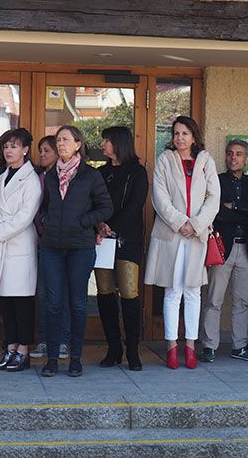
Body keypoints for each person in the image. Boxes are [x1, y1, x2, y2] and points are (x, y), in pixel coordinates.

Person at [145, 116, 220, 370]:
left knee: (192, 291)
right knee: (172, 290)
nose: (179, 138)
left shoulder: (206, 161)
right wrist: (181, 223)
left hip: (196, 236)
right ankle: (170, 346)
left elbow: (214, 197)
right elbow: (160, 197)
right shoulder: (164, 160)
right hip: (172, 234)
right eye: (176, 133)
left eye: (185, 133)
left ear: (194, 136)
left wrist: (196, 224)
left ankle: (190, 346)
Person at [39, 125, 113, 377]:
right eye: (58, 140)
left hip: (80, 248)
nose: (61, 144)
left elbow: (106, 208)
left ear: (78, 144)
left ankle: (75, 358)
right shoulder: (50, 175)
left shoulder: (90, 176)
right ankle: (51, 358)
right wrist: (47, 222)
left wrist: (83, 221)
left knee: (78, 304)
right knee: (53, 303)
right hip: (52, 248)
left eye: (66, 140)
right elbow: (45, 207)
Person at [0, 129, 42, 373]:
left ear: (26, 149)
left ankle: (23, 350)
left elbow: (25, 217)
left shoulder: (31, 180)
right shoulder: (0, 178)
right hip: (0, 244)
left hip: (18, 245)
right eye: (6, 146)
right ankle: (10, 346)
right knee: (4, 302)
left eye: (14, 146)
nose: (9, 151)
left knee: (22, 302)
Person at [199, 139, 248, 363]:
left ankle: (240, 345)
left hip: (247, 247)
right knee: (214, 299)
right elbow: (216, 214)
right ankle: (209, 346)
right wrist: (244, 210)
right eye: (229, 153)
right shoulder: (215, 182)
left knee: (241, 301)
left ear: (246, 159)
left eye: (238, 154)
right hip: (221, 247)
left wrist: (233, 206)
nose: (233, 157)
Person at [95, 126, 149, 371]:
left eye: (107, 140)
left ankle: (133, 350)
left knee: (129, 293)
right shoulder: (101, 172)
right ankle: (113, 347)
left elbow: (136, 204)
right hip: (101, 240)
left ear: (119, 143)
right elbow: (92, 202)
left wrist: (111, 226)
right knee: (105, 294)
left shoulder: (137, 172)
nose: (103, 144)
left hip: (128, 240)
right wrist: (99, 225)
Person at [29, 135, 71, 360]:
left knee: (62, 294)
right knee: (44, 293)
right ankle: (44, 340)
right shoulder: (39, 177)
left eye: (46, 150)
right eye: (40, 150)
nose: (42, 155)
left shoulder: (66, 177)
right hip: (43, 242)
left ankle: (62, 341)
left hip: (64, 243)